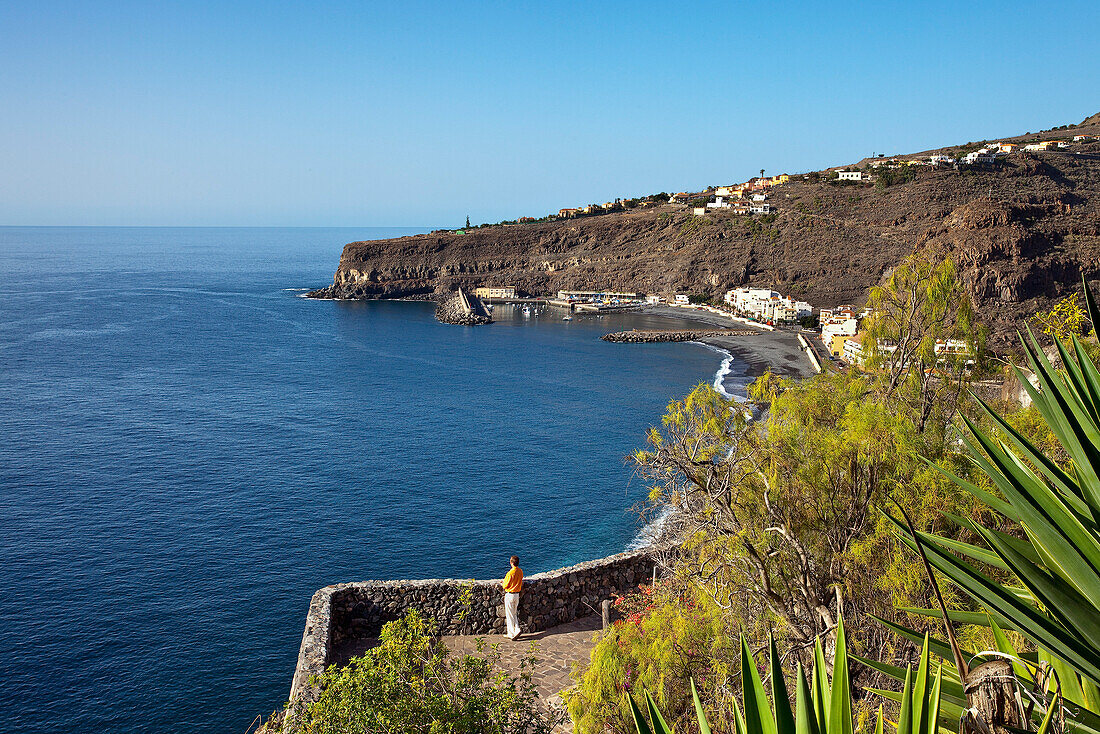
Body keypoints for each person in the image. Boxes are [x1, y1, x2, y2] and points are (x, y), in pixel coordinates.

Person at [502, 555, 523, 640]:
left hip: (510, 594)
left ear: (511, 562)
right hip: (517, 594)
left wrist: (503, 582)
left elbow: (505, 585)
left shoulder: (510, 573)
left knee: (510, 614)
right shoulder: (520, 571)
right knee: (514, 613)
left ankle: (511, 633)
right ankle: (517, 629)